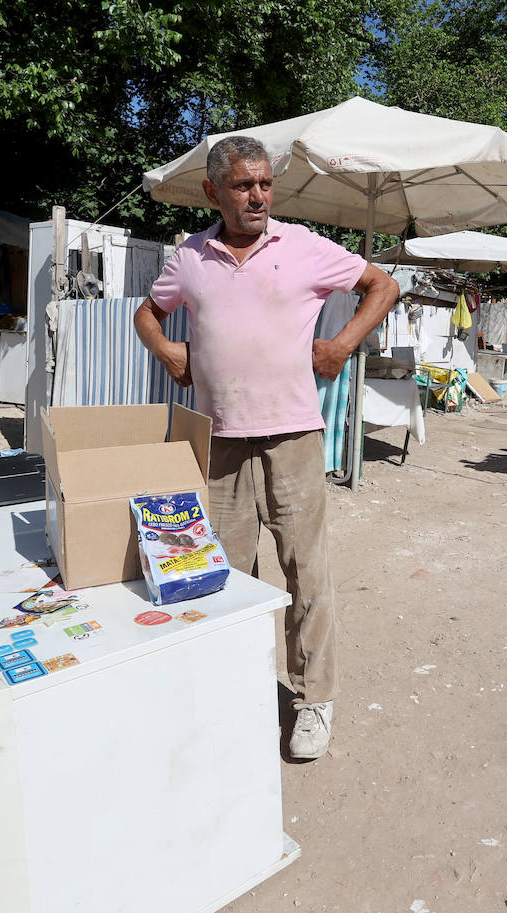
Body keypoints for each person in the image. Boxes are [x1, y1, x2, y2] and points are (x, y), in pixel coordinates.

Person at [134, 135, 399, 759]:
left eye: (264, 184)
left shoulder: (304, 247)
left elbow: (380, 285)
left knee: (306, 571)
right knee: (228, 574)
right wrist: (166, 348)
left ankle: (312, 701)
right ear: (212, 191)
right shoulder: (190, 257)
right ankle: (240, 685)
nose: (257, 196)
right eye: (242, 186)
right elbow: (148, 312)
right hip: (220, 438)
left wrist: (341, 347)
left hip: (293, 437)